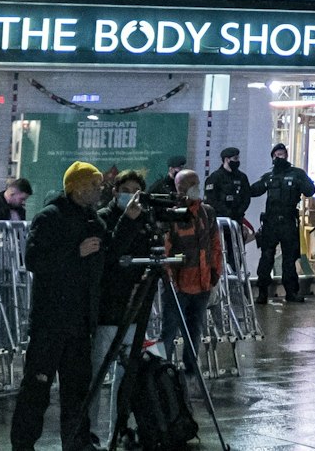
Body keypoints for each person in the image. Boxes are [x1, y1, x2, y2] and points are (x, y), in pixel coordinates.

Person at [10, 161, 104, 451]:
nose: (98, 191)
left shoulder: (94, 221)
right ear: (75, 187)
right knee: (37, 387)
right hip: (50, 323)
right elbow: (35, 261)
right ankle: (23, 444)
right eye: (93, 185)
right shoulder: (50, 218)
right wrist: (75, 253)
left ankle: (77, 443)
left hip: (79, 323)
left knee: (77, 390)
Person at [92, 172, 152, 443]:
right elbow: (111, 254)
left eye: (135, 190)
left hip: (134, 305)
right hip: (108, 306)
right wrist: (128, 221)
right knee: (97, 370)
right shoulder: (104, 217)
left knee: (127, 373)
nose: (130, 195)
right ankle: (90, 429)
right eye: (125, 189)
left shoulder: (144, 220)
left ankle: (121, 426)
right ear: (115, 192)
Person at [163, 170, 221, 374]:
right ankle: (164, 371)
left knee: (194, 330)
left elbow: (215, 245)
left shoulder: (207, 213)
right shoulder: (171, 215)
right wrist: (171, 281)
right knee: (169, 331)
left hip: (202, 284)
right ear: (180, 189)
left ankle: (191, 370)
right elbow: (165, 250)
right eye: (192, 184)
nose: (198, 188)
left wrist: (215, 274)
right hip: (178, 286)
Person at [252, 142, 315, 303]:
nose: (279, 157)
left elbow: (310, 190)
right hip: (271, 223)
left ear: (286, 156)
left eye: (282, 154)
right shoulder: (269, 176)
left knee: (289, 259)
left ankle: (291, 292)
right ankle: (262, 293)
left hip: (288, 222)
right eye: (276, 155)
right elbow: (253, 191)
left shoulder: (297, 174)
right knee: (266, 257)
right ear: (272, 158)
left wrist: (300, 182)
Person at [204, 146, 253, 230]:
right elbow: (211, 199)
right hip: (220, 219)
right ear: (227, 160)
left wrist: (239, 211)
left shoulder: (242, 177)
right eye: (235, 158)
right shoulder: (215, 177)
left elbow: (246, 197)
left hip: (237, 218)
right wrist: (226, 212)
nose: (237, 161)